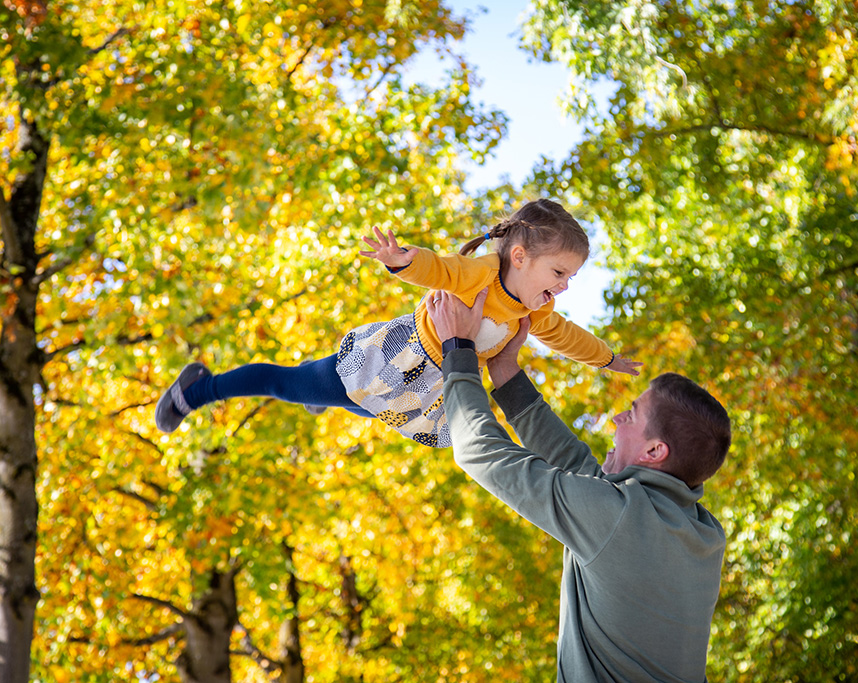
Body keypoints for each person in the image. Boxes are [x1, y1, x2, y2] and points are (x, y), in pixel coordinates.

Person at [154, 198, 641, 447]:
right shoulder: (479, 275)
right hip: (394, 359)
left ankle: (322, 394)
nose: (565, 286)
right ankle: (196, 390)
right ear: (519, 256)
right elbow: (438, 267)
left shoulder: (537, 312)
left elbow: (568, 337)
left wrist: (607, 358)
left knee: (367, 409)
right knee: (288, 384)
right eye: (559, 273)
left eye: (571, 277)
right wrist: (400, 259)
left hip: (425, 391)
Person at [428, 288, 730, 683]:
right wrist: (505, 371)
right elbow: (581, 473)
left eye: (633, 415)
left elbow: (480, 452)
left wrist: (458, 349)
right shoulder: (700, 531)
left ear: (655, 450)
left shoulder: (617, 518)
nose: (618, 418)